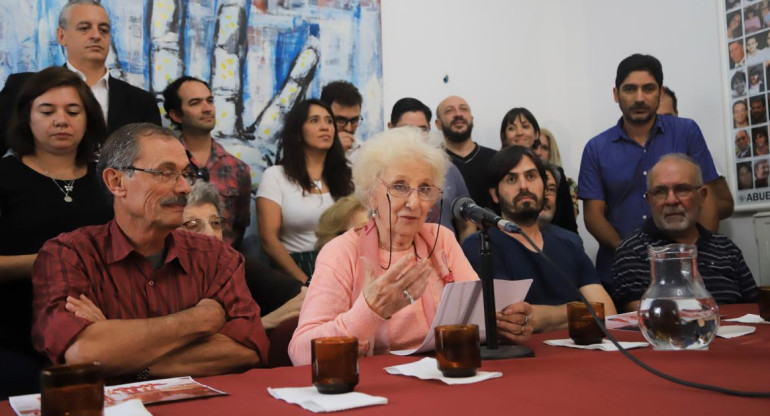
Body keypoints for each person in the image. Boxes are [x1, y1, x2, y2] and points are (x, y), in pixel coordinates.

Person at [31, 123, 268, 380]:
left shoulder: (217, 257)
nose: (184, 188)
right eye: (166, 173)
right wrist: (200, 320)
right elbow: (82, 354)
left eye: (185, 174)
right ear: (117, 181)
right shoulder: (69, 255)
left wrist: (127, 359)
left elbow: (248, 349)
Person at [288, 128, 533, 365]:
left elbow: (475, 317)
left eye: (425, 189)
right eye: (399, 186)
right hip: (376, 389)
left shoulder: (442, 240)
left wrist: (503, 323)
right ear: (372, 194)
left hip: (445, 375)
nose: (414, 202)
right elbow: (301, 353)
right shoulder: (342, 252)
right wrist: (369, 311)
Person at [0, 67, 113, 398]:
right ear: (27, 118)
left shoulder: (108, 179)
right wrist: (53, 261)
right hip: (14, 335)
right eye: (47, 111)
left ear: (88, 118)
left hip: (102, 330)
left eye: (72, 111)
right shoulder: (4, 176)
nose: (61, 120)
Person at [578, 54, 730, 287]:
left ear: (660, 93)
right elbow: (592, 216)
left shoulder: (686, 132)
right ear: (616, 94)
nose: (639, 98)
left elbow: (706, 197)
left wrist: (696, 254)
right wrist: (631, 255)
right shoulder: (596, 148)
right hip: (620, 270)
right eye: (630, 89)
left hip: (689, 269)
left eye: (648, 89)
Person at [462, 146, 615, 332]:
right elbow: (510, 319)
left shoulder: (570, 242)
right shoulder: (481, 245)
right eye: (512, 179)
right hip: (521, 357)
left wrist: (539, 315)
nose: (524, 186)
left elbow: (607, 310)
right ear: (495, 194)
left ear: (544, 188)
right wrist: (580, 310)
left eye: (531, 176)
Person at [0, 0, 160, 155]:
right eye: (84, 28)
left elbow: (153, 160)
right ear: (61, 36)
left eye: (104, 30)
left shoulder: (141, 101)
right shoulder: (23, 87)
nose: (96, 35)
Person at [611, 154, 758, 312]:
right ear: (649, 200)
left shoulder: (726, 249)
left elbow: (758, 309)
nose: (671, 200)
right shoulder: (631, 252)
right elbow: (646, 319)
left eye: (682, 189)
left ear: (702, 197)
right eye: (660, 191)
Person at [181, 181, 306, 331]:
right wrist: (263, 324)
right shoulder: (159, 280)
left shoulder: (239, 266)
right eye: (194, 225)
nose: (211, 234)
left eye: (215, 223)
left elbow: (305, 296)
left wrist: (266, 322)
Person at [256, 99, 353, 284]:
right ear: (298, 132)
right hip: (295, 272)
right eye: (314, 121)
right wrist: (305, 282)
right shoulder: (276, 176)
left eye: (329, 121)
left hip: (341, 268)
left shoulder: (347, 177)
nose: (325, 127)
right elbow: (269, 240)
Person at [162, 76, 251, 248]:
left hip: (223, 263)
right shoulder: (164, 165)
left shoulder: (237, 168)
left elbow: (239, 227)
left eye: (210, 101)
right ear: (175, 115)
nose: (207, 108)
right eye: (195, 103)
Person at [389, 97, 475, 241]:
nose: (415, 137)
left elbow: (467, 224)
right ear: (391, 129)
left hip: (444, 258)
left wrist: (460, 257)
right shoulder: (379, 170)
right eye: (407, 130)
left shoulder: (447, 169)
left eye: (422, 130)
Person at [499, 107, 577, 232]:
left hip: (553, 240)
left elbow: (567, 220)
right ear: (504, 137)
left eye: (525, 126)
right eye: (512, 128)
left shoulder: (554, 172)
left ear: (536, 134)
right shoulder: (496, 172)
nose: (519, 132)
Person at [436, 95, 497, 209]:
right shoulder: (433, 162)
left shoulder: (496, 159)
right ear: (438, 124)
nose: (458, 114)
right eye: (449, 111)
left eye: (463, 109)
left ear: (471, 119)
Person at [535, 128, 579, 219]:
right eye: (535, 147)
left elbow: (570, 220)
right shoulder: (522, 183)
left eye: (544, 148)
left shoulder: (569, 184)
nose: (538, 152)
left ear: (551, 152)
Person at [539, 162, 583, 251]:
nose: (545, 196)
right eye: (540, 188)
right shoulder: (505, 242)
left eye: (551, 189)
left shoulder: (571, 243)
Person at [320, 80, 363, 154]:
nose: (348, 128)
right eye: (340, 121)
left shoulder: (366, 152)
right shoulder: (307, 152)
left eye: (354, 120)